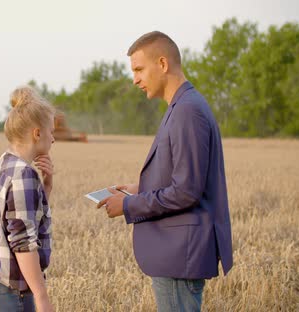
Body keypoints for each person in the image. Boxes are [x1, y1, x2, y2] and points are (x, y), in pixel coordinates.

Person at [97, 31, 233, 312]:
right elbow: (184, 179)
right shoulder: (183, 106)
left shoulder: (187, 111)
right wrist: (138, 188)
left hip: (179, 255)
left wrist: (129, 205)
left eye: (138, 69)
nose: (135, 79)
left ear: (162, 64)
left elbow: (186, 192)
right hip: (178, 253)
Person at [0, 86, 56, 312]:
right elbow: (23, 242)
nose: (54, 139)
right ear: (37, 133)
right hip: (7, 292)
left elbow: (20, 218)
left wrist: (46, 186)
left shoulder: (3, 164)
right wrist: (41, 295)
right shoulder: (24, 175)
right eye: (51, 132)